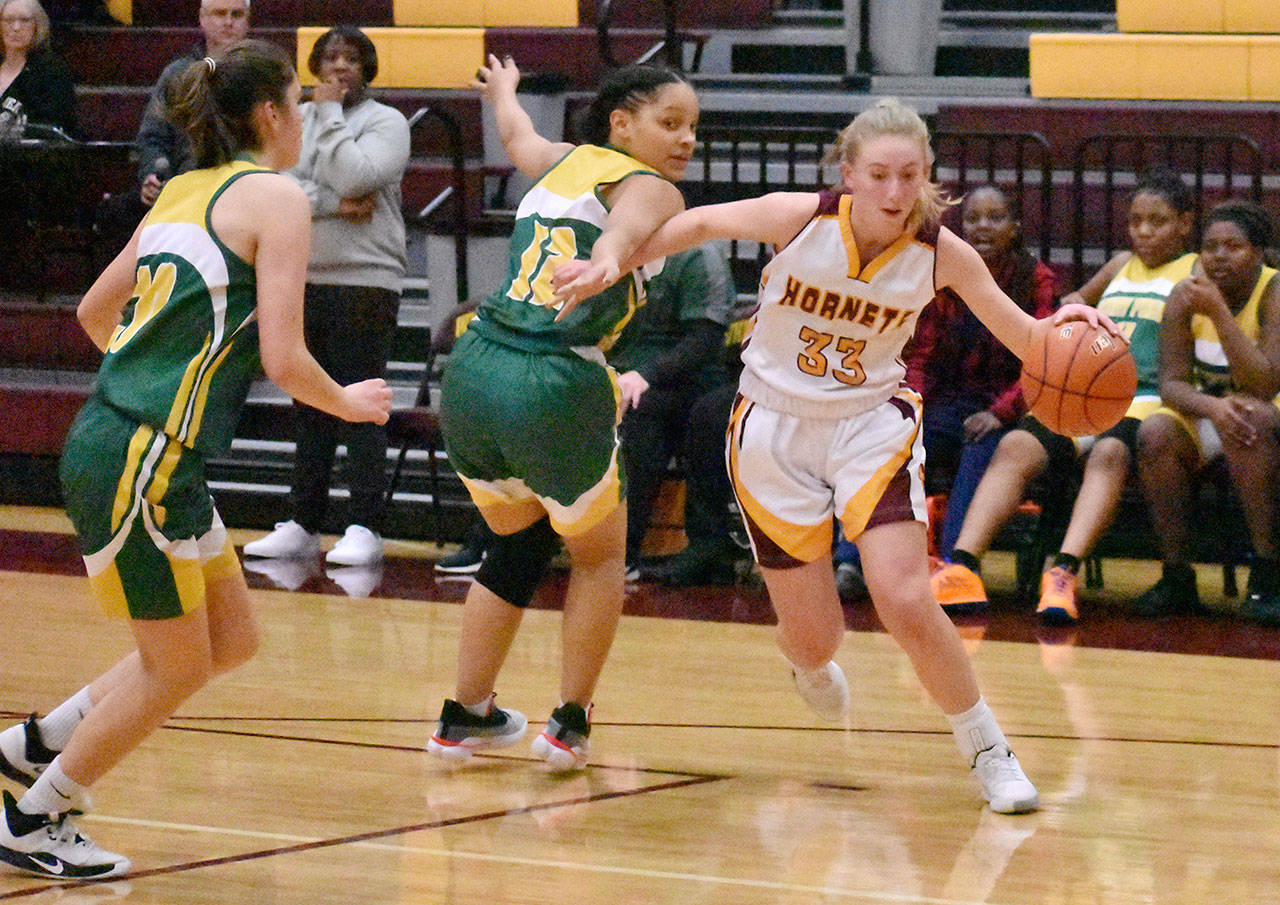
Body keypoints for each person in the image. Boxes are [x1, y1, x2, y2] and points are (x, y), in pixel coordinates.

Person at [555, 97, 1119, 813]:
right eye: (878, 174)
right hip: (771, 429)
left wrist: (1070, 325)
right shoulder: (797, 216)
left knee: (907, 597)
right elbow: (691, 224)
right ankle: (806, 658)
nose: (893, 191)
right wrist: (608, 259)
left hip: (869, 425)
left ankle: (989, 751)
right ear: (848, 172)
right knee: (817, 639)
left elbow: (1026, 336)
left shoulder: (943, 251)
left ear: (926, 177)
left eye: (908, 175)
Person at [0, 40, 391, 878]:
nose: (310, 115)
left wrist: (146, 377)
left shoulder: (181, 188)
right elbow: (285, 359)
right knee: (176, 665)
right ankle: (37, 814)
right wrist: (351, 404)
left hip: (129, 436)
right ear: (269, 115)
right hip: (143, 450)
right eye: (302, 101)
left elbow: (93, 312)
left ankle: (33, 743)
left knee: (229, 638)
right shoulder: (276, 197)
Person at [424, 56, 695, 772]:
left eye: (694, 126)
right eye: (670, 122)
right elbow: (627, 229)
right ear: (621, 123)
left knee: (512, 545)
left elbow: (515, 137)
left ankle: (464, 714)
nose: (686, 138)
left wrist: (506, 92)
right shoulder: (651, 188)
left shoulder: (563, 160)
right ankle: (568, 724)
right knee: (601, 556)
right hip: (552, 373)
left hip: (474, 368)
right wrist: (606, 262)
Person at [930, 169, 1196, 625]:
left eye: (1158, 221)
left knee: (1109, 453)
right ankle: (963, 566)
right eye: (1136, 221)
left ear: (1186, 224)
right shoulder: (1118, 265)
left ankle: (1063, 572)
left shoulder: (1195, 273)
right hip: (1079, 392)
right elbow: (1070, 302)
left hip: (1145, 399)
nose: (1144, 232)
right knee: (1016, 445)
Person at [242, 26, 410, 567]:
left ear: (368, 68)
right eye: (331, 58)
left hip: (367, 277)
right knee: (308, 400)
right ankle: (302, 521)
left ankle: (365, 525)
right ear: (314, 67)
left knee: (362, 401)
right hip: (304, 274)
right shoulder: (297, 119)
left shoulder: (387, 122)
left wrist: (333, 117)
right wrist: (334, 203)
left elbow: (357, 175)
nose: (341, 68)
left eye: (353, 59)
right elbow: (277, 185)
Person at [1132, 200, 1280, 624]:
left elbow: (1264, 382)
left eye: (1232, 246)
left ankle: (1268, 573)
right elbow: (1171, 385)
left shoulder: (1274, 291)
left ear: (1259, 253)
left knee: (1248, 421)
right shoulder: (1184, 295)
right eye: (1210, 246)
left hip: (1266, 411)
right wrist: (1214, 407)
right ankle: (1177, 575)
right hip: (1210, 410)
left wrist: (1217, 311)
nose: (1217, 256)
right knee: (1155, 434)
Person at [906, 186, 1059, 557]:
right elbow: (920, 354)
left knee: (980, 452)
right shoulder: (945, 273)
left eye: (995, 218)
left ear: (1015, 227)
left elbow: (1043, 361)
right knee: (894, 445)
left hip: (1005, 406)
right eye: (973, 219)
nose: (983, 227)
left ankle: (956, 563)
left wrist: (999, 413)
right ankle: (854, 563)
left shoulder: (1036, 279)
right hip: (947, 401)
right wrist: (911, 407)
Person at [608, 241, 736, 576]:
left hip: (683, 380)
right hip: (615, 371)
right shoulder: (604, 244)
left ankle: (620, 551)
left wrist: (646, 376)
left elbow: (704, 341)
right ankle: (497, 540)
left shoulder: (699, 253)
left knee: (638, 410)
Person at [136, 0, 250, 208]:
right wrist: (151, 174)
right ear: (202, 18)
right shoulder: (178, 75)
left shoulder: (262, 76)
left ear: (247, 21)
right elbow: (153, 136)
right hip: (185, 193)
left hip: (246, 192)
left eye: (237, 15)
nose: (228, 22)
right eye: (219, 13)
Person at [0, 0, 76, 138]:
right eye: (8, 20)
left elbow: (57, 126)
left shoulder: (52, 71)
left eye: (24, 20)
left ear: (37, 26)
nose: (16, 27)